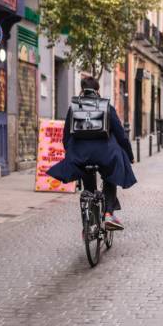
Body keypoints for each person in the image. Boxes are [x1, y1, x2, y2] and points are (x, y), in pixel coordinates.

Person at [48, 76, 136, 231]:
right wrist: (129, 155)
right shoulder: (106, 106)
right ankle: (108, 214)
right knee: (110, 177)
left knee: (88, 184)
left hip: (80, 155)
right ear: (97, 90)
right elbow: (121, 135)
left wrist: (72, 153)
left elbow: (66, 136)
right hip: (106, 154)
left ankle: (89, 224)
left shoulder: (74, 107)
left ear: (82, 90)